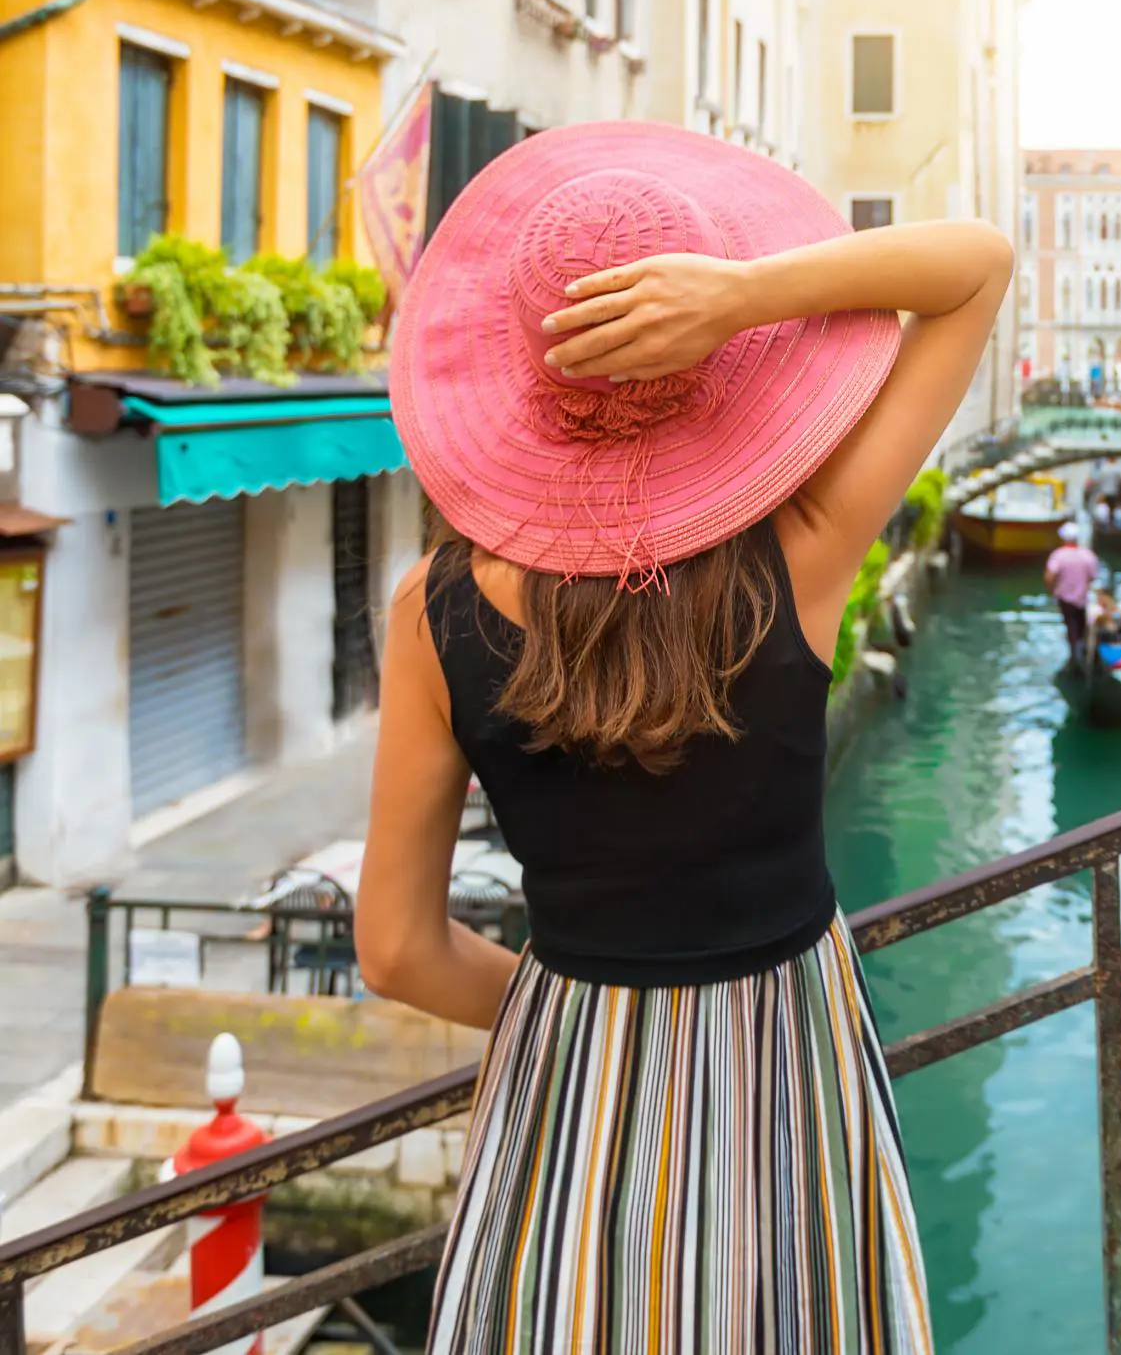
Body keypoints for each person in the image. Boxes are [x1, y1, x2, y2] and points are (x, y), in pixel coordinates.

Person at [356, 122, 1008, 1352]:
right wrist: (745, 295)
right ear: (712, 367)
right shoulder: (804, 551)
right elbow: (973, 264)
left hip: (572, 1078)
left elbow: (394, 949)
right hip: (785, 1060)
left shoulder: (427, 612)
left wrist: (588, 1015)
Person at [1045, 522, 1101, 659]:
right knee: (1081, 627)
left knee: (1071, 628)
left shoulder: (1058, 555)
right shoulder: (1088, 555)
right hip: (1081, 599)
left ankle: (1075, 655)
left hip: (1065, 599)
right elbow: (1093, 577)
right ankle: (1080, 653)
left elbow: (1049, 577)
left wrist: (1053, 590)